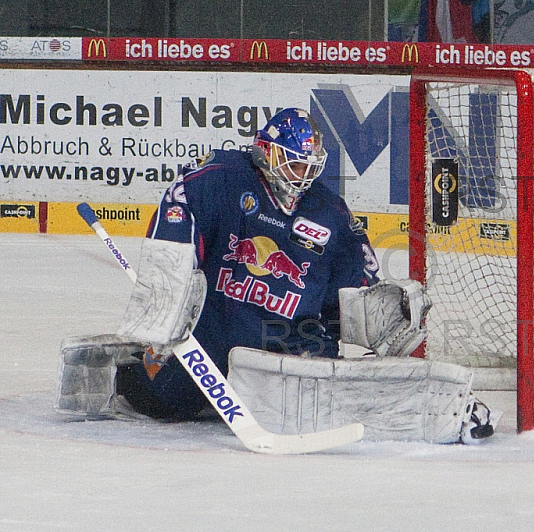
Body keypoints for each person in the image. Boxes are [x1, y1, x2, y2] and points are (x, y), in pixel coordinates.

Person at [57, 108, 499, 444]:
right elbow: (180, 196)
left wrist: (382, 312)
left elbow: (355, 288)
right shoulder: (226, 179)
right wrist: (169, 278)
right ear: (266, 152)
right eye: (293, 163)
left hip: (295, 352)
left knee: (338, 406)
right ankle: (115, 370)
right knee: (165, 402)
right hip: (216, 348)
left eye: (310, 165)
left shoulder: (330, 213)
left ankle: (451, 414)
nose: (303, 175)